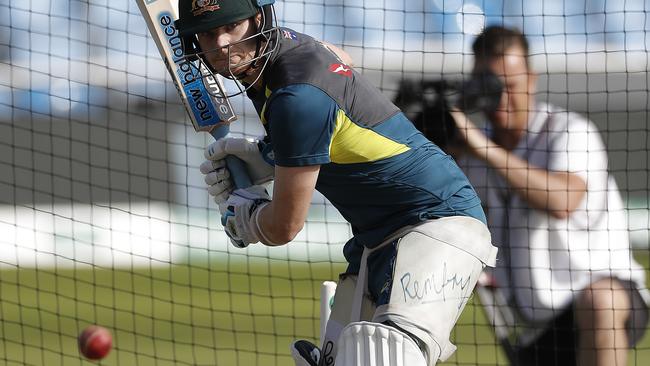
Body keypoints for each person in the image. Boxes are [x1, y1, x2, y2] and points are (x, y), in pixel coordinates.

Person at [174, 1, 498, 365]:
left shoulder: (297, 96)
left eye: (231, 26)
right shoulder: (279, 52)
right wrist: (271, 156)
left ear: (258, 18)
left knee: (384, 356)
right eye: (207, 33)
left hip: (439, 224)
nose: (221, 45)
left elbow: (284, 227)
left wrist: (247, 217)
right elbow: (336, 65)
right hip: (376, 239)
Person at [448, 25, 649, 366]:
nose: (501, 99)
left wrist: (482, 148)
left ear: (532, 79)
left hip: (607, 302)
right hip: (534, 324)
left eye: (510, 86)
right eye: (489, 89)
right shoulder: (466, 151)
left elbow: (562, 201)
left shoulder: (570, 132)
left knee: (600, 301)